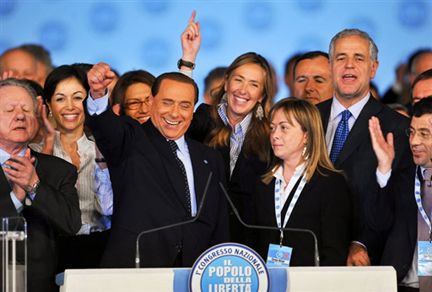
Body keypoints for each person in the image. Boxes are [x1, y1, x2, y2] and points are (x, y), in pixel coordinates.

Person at [85, 63, 229, 268]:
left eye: (185, 105)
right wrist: (98, 94)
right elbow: (106, 127)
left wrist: (219, 268)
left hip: (195, 274)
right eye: (167, 103)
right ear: (152, 102)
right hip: (137, 270)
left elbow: (219, 226)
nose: (175, 113)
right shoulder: (131, 138)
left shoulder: (209, 158)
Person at [316, 28, 413, 266]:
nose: (349, 65)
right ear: (330, 67)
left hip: (364, 263)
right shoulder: (309, 119)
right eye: (341, 58)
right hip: (310, 255)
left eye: (359, 58)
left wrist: (362, 243)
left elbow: (399, 202)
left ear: (373, 68)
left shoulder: (397, 128)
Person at [0, 78, 81, 292]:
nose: (20, 116)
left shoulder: (60, 170)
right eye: (9, 110)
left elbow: (71, 224)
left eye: (27, 110)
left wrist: (35, 186)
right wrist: (15, 199)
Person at [29, 65, 112, 272]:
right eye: (60, 99)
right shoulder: (32, 152)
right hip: (51, 250)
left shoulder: (103, 151)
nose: (70, 107)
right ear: (47, 104)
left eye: (77, 97)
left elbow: (108, 208)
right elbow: (40, 204)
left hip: (101, 247)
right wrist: (48, 141)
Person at [188, 52, 276, 244]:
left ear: (262, 95)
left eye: (253, 84)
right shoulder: (205, 118)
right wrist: (188, 62)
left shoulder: (270, 136)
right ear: (226, 82)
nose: (243, 90)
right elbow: (179, 120)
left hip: (249, 242)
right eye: (239, 80)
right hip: (201, 238)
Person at [249, 98, 350, 266]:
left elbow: (334, 251)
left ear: (307, 135)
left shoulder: (330, 183)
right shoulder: (264, 183)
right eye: (272, 128)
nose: (275, 135)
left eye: (284, 128)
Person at [367, 97, 432, 291]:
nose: (414, 141)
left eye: (424, 134)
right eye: (411, 132)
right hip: (402, 286)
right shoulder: (400, 180)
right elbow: (377, 226)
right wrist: (385, 168)